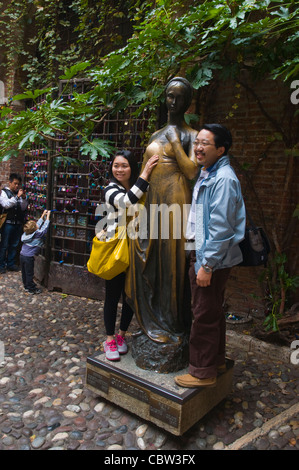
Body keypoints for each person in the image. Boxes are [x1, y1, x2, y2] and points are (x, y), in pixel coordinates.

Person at [126, 77, 199, 350]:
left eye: (178, 97)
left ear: (187, 101)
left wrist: (176, 143)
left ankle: (173, 324)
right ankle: (152, 321)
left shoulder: (192, 135)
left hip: (176, 201)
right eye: (169, 96)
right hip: (151, 202)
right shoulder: (156, 134)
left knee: (173, 262)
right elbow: (144, 173)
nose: (172, 102)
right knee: (150, 260)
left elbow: (192, 172)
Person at [174, 124, 246, 388]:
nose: (198, 148)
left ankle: (202, 373)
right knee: (212, 309)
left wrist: (207, 264)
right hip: (203, 252)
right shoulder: (208, 173)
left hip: (210, 258)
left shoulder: (223, 179)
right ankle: (214, 361)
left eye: (205, 143)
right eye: (197, 142)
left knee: (202, 312)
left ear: (221, 149)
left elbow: (221, 227)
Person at [102, 150, 159, 361]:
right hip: (116, 250)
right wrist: (145, 172)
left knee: (130, 295)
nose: (119, 169)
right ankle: (109, 339)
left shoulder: (141, 187)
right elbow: (126, 201)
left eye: (124, 165)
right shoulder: (110, 189)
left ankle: (121, 335)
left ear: (131, 167)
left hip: (136, 248)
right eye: (116, 165)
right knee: (112, 295)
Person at [0, 173, 28, 273]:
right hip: (7, 223)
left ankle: (10, 264)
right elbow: (6, 204)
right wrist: (17, 197)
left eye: (18, 184)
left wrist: (24, 198)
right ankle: (1, 265)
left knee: (14, 245)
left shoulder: (18, 194)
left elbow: (23, 207)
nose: (16, 186)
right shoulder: (4, 193)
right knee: (4, 245)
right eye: (15, 184)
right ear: (10, 182)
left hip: (17, 223)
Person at [20, 210, 51, 294]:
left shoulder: (27, 233)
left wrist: (42, 215)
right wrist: (48, 217)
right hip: (29, 257)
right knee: (29, 273)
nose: (37, 225)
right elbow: (44, 228)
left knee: (24, 272)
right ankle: (31, 289)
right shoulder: (37, 234)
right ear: (35, 229)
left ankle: (26, 286)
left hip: (22, 255)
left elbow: (37, 225)